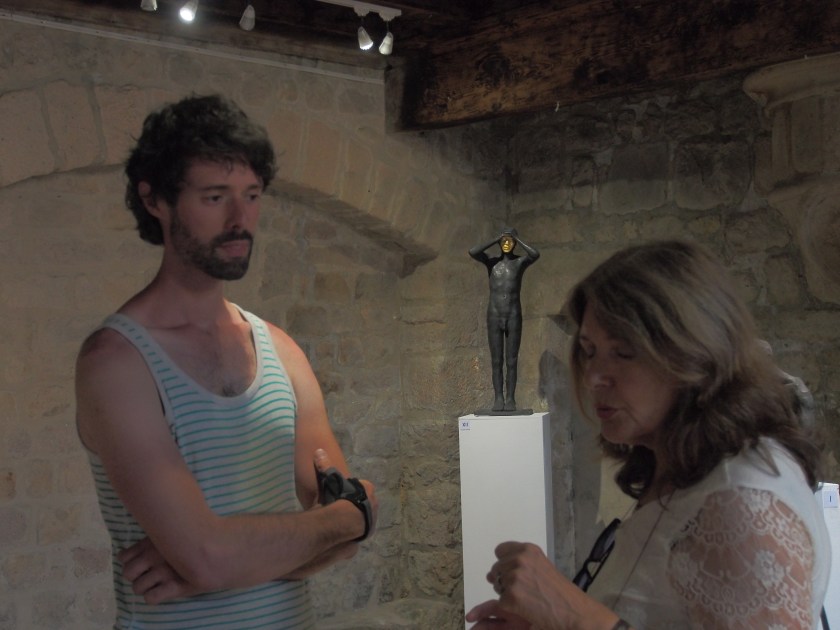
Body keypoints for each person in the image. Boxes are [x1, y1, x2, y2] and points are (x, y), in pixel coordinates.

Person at [75, 94, 378, 629]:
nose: (241, 220)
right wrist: (346, 518)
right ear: (155, 200)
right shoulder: (117, 362)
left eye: (252, 196)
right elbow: (214, 554)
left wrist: (217, 569)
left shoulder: (281, 351)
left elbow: (349, 529)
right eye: (215, 197)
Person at [466, 240, 830, 630]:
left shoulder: (743, 503)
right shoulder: (686, 467)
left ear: (694, 354)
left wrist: (571, 614)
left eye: (623, 353)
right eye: (589, 351)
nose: (593, 378)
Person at [469, 228, 540, 412]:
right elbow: (473, 252)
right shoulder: (491, 262)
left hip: (513, 314)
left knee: (511, 360)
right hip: (494, 314)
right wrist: (496, 238)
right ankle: (498, 397)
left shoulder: (519, 262)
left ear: (514, 243)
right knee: (496, 360)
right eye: (504, 241)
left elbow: (535, 254)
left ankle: (510, 398)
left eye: (510, 241)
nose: (506, 243)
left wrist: (517, 238)